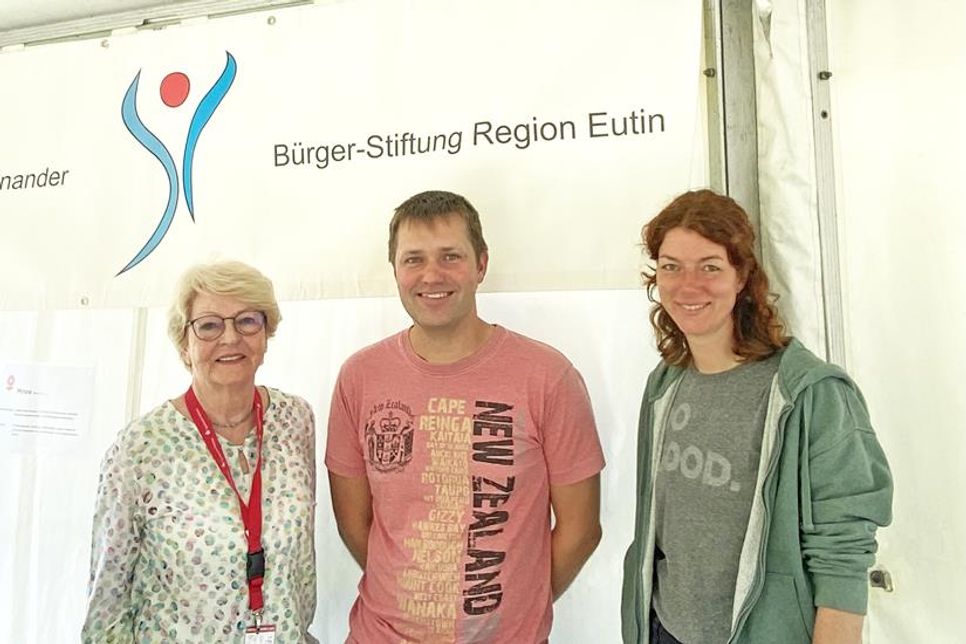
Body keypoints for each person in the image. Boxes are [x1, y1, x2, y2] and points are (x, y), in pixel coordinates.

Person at [326, 190, 605, 643]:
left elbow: (580, 529)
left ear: (481, 264)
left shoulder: (547, 376)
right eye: (413, 259)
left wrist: (517, 607)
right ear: (395, 270)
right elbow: (354, 524)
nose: (430, 275)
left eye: (450, 256)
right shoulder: (360, 377)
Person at [621, 190, 893, 644]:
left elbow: (843, 549)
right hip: (664, 629)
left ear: (742, 276)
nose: (688, 285)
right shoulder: (665, 385)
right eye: (671, 266)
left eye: (709, 266)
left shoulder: (812, 394)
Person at [82, 261, 317, 643]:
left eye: (247, 321)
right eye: (209, 325)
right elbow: (105, 611)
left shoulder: (295, 421)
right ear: (184, 345)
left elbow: (302, 569)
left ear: (266, 333)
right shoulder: (140, 449)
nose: (230, 338)